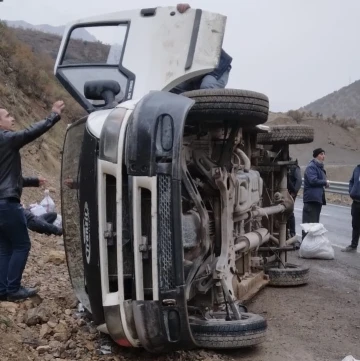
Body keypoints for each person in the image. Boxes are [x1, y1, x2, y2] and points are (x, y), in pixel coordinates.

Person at [0, 100, 65, 301]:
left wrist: (33, 181)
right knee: (22, 245)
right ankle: (13, 289)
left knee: (5, 248)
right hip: (7, 203)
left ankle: (3, 290)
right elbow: (29, 133)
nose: (12, 118)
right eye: (8, 115)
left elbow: (5, 176)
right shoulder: (6, 138)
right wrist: (53, 115)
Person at [170, 3, 233, 94]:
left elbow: (194, 22)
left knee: (207, 87)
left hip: (216, 68)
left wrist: (187, 11)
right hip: (194, 73)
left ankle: (214, 106)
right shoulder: (170, 46)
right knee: (172, 88)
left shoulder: (190, 33)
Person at [302, 148, 329, 239]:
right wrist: (325, 182)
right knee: (309, 225)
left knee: (314, 225)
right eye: (321, 154)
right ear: (316, 155)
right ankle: (306, 247)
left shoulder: (319, 167)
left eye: (324, 154)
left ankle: (311, 247)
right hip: (311, 200)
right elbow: (313, 180)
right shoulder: (312, 167)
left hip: (317, 199)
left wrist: (324, 183)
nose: (323, 156)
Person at [341, 164, 360, 252]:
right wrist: (351, 191)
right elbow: (351, 181)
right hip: (356, 202)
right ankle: (353, 245)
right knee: (355, 225)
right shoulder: (357, 169)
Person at [287, 158, 302, 238]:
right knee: (288, 212)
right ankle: (290, 233)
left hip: (290, 192)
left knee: (289, 212)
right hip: (288, 192)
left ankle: (292, 233)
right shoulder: (293, 167)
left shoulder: (294, 167)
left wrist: (294, 192)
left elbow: (299, 181)